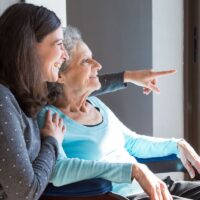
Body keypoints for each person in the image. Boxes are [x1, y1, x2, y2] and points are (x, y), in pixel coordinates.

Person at [0, 3, 176, 200]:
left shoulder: (25, 95)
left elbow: (75, 86)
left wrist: (128, 77)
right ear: (30, 46)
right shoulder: (4, 102)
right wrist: (51, 142)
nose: (64, 55)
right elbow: (25, 193)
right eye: (58, 45)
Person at [38, 26, 200, 200]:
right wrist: (132, 170)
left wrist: (176, 145)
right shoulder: (49, 117)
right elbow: (59, 169)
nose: (98, 65)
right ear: (60, 74)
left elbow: (131, 142)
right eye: (86, 61)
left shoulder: (95, 104)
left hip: (152, 187)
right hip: (124, 196)